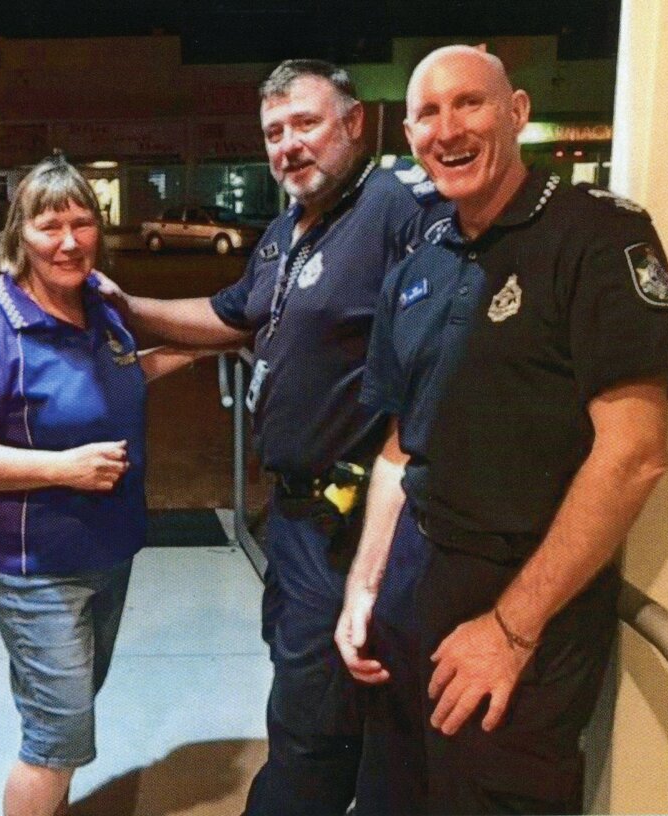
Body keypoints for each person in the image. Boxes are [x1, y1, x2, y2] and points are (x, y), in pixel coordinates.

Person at [335, 45, 668, 814]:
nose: (448, 127)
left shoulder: (596, 235)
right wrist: (364, 588)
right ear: (409, 134)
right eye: (428, 113)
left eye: (470, 103)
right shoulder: (420, 258)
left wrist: (510, 629)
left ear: (517, 112)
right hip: (412, 585)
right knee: (394, 796)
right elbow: (402, 447)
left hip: (519, 601)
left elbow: (633, 455)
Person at [97, 59, 446, 816]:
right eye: (273, 132)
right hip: (290, 515)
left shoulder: (397, 209)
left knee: (312, 727)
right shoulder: (290, 227)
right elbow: (235, 316)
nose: (287, 146)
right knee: (309, 693)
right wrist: (126, 304)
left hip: (350, 520)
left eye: (305, 125)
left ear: (354, 124)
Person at [0, 156, 211, 816]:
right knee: (56, 740)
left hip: (109, 549)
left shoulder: (98, 305)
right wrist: (63, 468)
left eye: (82, 222)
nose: (68, 240)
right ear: (18, 235)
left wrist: (204, 347)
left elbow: (117, 374)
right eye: (49, 224)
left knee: (65, 712)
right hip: (36, 563)